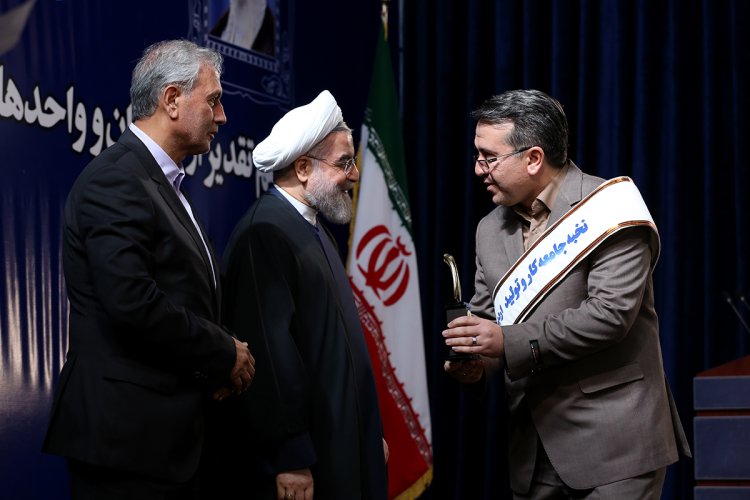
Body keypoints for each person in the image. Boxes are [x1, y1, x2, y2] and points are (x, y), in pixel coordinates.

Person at [442, 89, 691, 499]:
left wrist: (505, 341)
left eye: (489, 158)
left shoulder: (609, 207)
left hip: (615, 446)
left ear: (533, 158)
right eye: (477, 155)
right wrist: (476, 362)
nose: (478, 169)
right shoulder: (489, 228)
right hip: (531, 451)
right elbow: (490, 320)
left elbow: (609, 316)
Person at [42, 39, 255, 499]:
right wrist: (221, 351)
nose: (222, 117)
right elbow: (132, 302)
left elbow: (185, 297)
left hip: (168, 443)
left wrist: (219, 363)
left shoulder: (162, 183)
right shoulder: (117, 178)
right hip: (127, 445)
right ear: (172, 100)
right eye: (214, 100)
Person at [216, 90, 388, 500]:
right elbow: (270, 358)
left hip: (343, 445)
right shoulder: (265, 232)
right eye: (344, 163)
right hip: (306, 461)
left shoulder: (313, 229)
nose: (354, 175)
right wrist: (289, 456)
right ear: (304, 168)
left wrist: (367, 434)